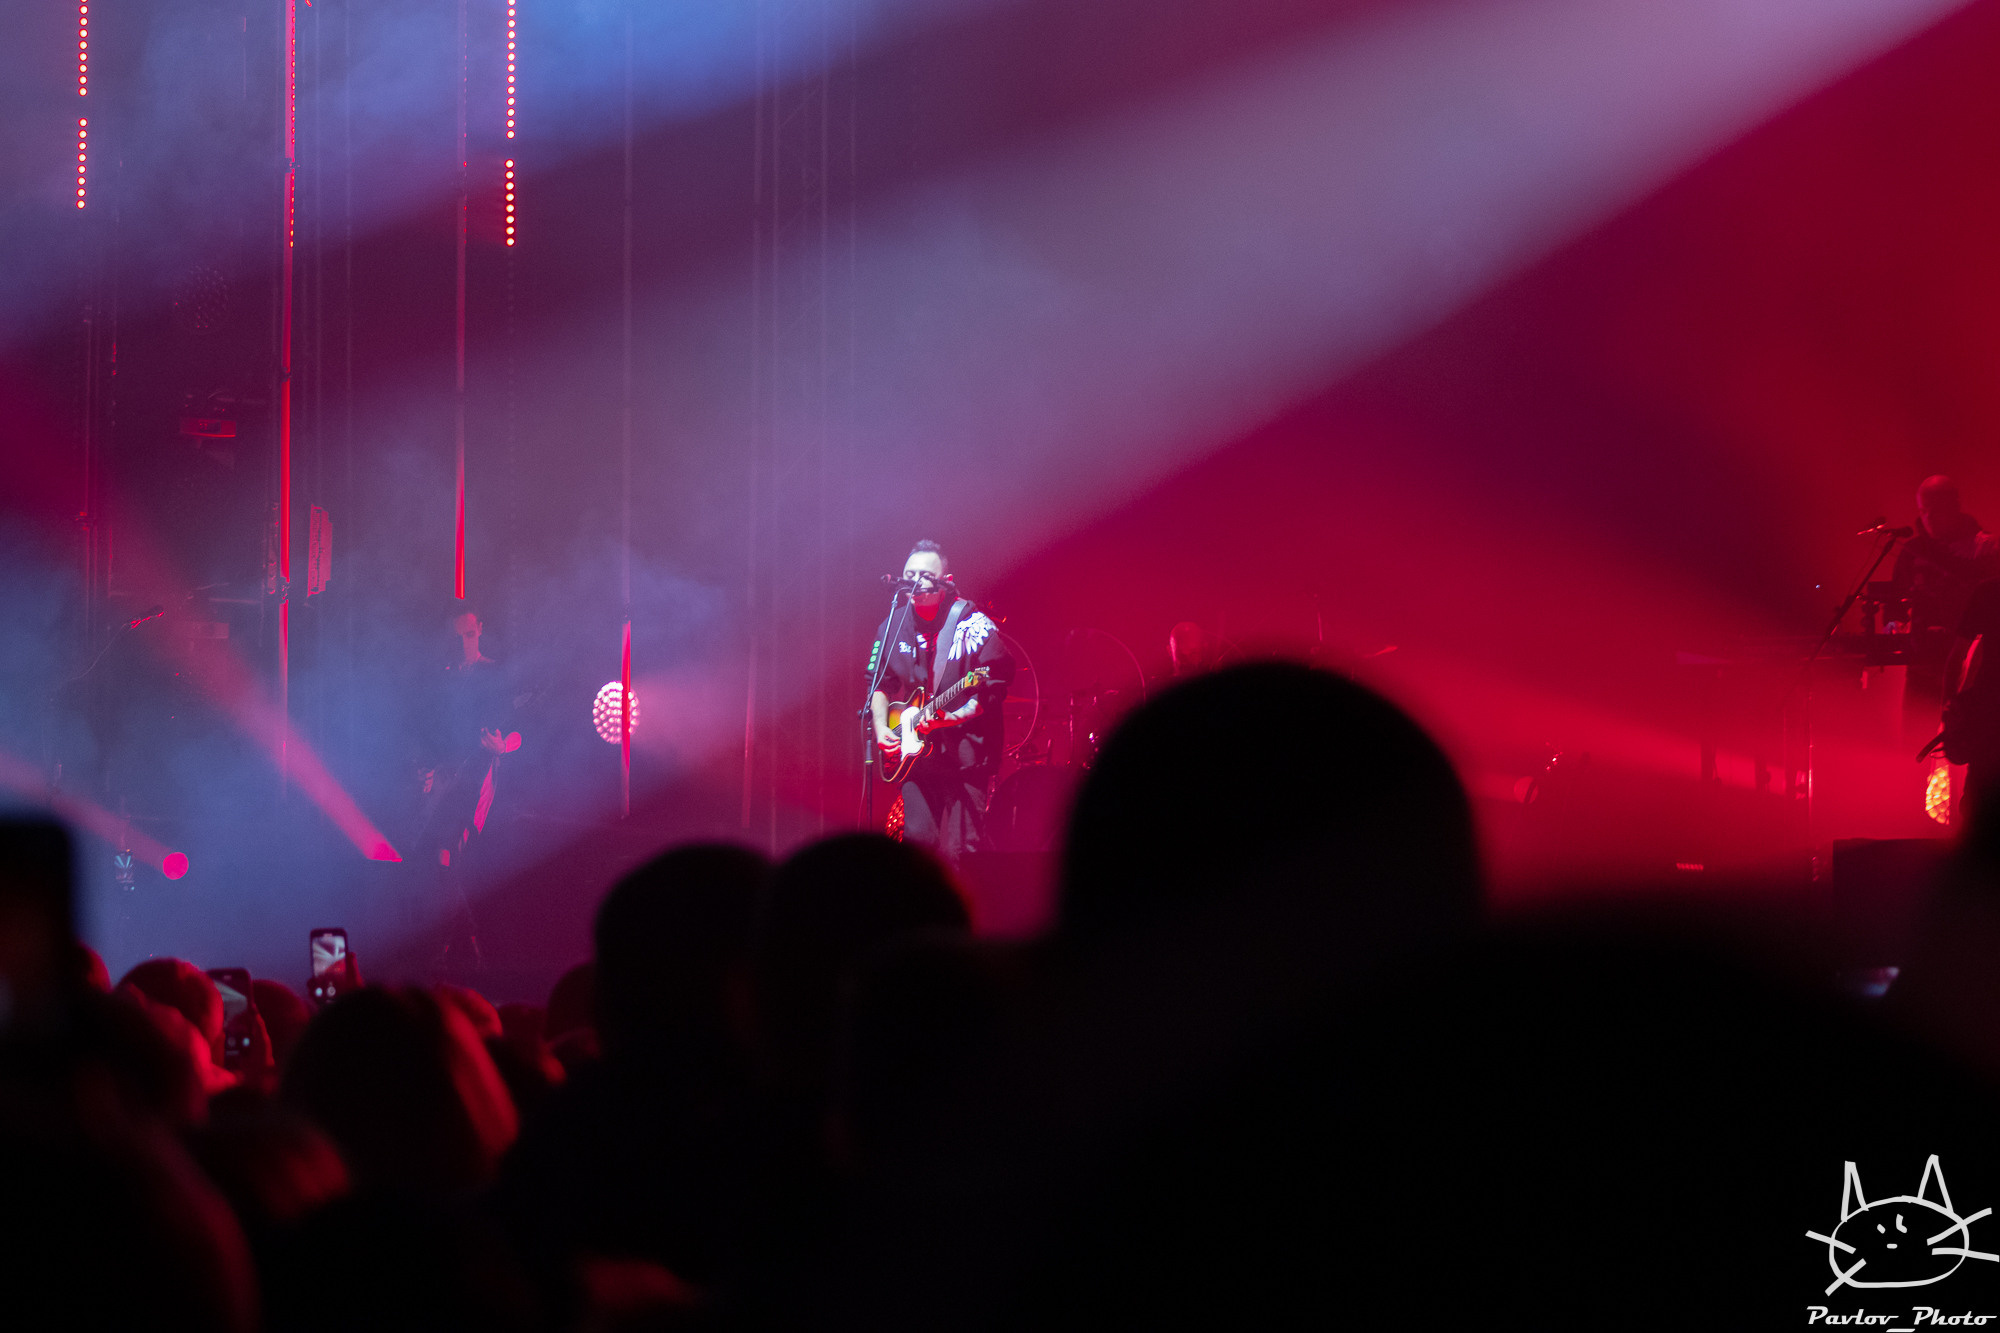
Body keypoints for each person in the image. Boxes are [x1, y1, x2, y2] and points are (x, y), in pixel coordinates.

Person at [869, 541, 1014, 862]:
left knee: (962, 850)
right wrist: (881, 728)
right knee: (916, 844)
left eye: (925, 575)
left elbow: (993, 686)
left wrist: (953, 717)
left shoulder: (972, 625)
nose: (915, 581)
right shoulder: (892, 627)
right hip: (917, 758)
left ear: (946, 581)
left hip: (966, 757)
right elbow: (879, 685)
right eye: (909, 574)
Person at [1891, 475, 2000, 633]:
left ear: (1954, 507)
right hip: (1921, 648)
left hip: (1969, 643)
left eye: (1936, 510)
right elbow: (1896, 599)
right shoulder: (1912, 551)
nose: (1929, 517)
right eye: (1923, 511)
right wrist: (1895, 624)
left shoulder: (1987, 547)